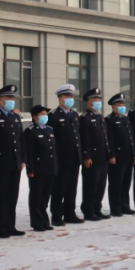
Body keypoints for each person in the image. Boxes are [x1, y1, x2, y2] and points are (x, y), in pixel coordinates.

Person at [0, 84, 25, 238]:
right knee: (0, 196)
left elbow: (20, 140)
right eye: (8, 97)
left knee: (12, 195)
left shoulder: (15, 117)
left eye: (12, 98)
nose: (11, 100)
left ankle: (10, 225)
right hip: (0, 163)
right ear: (0, 100)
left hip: (15, 161)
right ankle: (0, 227)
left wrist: (22, 159)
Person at [49, 85, 84, 226]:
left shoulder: (74, 115)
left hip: (74, 158)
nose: (70, 99)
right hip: (61, 159)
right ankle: (56, 215)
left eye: (71, 97)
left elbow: (77, 137)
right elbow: (52, 139)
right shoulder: (53, 116)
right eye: (67, 97)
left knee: (72, 188)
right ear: (60, 98)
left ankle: (70, 213)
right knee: (59, 188)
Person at [24, 105, 58, 232]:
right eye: (42, 114)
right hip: (38, 169)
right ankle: (37, 222)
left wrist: (56, 166)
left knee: (45, 196)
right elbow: (29, 152)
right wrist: (30, 169)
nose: (45, 116)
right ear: (35, 117)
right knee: (36, 196)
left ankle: (44, 220)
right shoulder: (30, 131)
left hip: (50, 167)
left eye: (46, 114)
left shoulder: (49, 129)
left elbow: (53, 150)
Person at [79, 88, 110, 221]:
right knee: (90, 186)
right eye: (94, 100)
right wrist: (86, 156)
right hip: (92, 158)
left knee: (101, 185)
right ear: (88, 103)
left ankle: (97, 208)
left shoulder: (99, 117)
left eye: (99, 100)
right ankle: (88, 210)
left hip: (103, 157)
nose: (98, 102)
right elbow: (84, 139)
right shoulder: (84, 118)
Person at [105, 93, 135, 217]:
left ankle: (125, 205)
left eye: (123, 105)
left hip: (128, 156)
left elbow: (131, 138)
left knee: (126, 183)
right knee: (115, 183)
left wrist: (134, 154)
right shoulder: (109, 120)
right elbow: (110, 139)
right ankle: (115, 208)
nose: (122, 107)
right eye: (119, 105)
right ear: (113, 107)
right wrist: (111, 155)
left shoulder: (125, 119)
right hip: (117, 157)